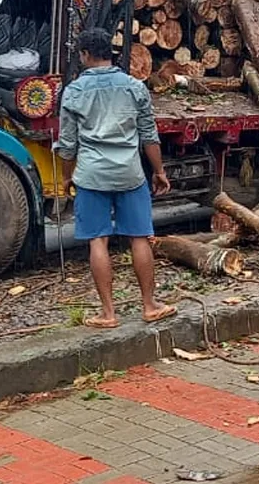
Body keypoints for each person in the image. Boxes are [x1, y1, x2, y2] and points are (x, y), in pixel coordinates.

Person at [54, 28, 176, 329]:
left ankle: (108, 313)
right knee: (139, 237)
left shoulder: (73, 92)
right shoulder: (134, 87)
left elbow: (67, 144)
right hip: (130, 174)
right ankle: (149, 305)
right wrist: (159, 172)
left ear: (84, 54)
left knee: (98, 240)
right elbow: (149, 135)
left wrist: (67, 177)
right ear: (110, 52)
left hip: (91, 175)